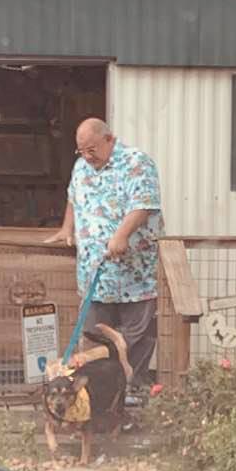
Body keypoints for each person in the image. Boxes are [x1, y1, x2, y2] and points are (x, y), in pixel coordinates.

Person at [45, 118, 164, 390]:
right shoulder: (81, 167)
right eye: (81, 150)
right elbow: (74, 198)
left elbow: (144, 205)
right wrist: (67, 229)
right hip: (94, 277)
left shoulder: (136, 163)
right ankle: (97, 402)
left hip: (133, 277)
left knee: (134, 342)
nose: (87, 156)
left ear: (109, 139)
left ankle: (131, 398)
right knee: (94, 343)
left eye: (92, 149)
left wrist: (121, 234)